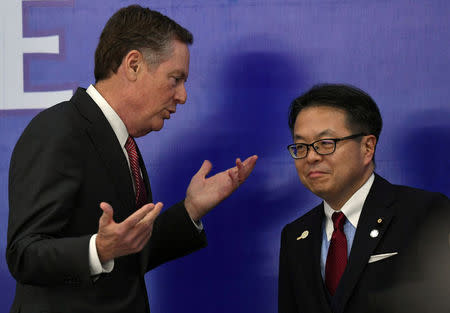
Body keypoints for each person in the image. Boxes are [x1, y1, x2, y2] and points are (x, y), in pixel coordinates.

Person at [6, 5, 257, 313]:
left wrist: (191, 209)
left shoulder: (123, 143)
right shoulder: (58, 130)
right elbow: (24, 254)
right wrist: (97, 249)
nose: (183, 96)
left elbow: (129, 255)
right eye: (175, 79)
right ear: (134, 65)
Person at [278, 84, 449, 313]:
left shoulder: (426, 213)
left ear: (367, 147)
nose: (311, 157)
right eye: (301, 146)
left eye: (325, 144)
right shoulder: (295, 236)